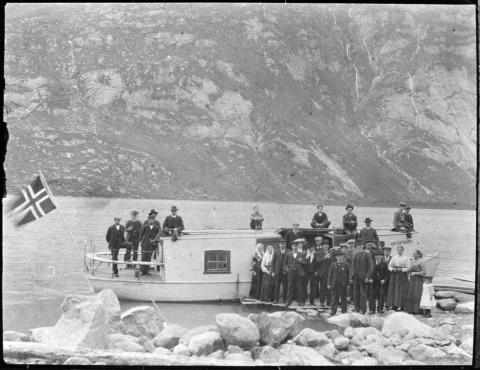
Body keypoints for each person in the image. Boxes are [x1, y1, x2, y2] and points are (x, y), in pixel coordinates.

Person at [386, 245, 410, 311]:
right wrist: (392, 269)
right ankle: (393, 305)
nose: (399, 251)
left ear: (403, 250)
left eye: (400, 249)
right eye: (398, 249)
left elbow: (408, 268)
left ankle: (400, 305)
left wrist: (401, 270)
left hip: (402, 275)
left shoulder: (406, 258)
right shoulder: (394, 258)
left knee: (400, 290)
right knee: (394, 289)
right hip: (394, 275)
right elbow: (389, 266)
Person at [351, 242, 373, 314]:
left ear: (362, 246)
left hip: (363, 277)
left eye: (360, 246)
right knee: (355, 293)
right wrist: (351, 276)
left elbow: (370, 267)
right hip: (355, 276)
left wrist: (368, 277)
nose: (358, 247)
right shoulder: (355, 254)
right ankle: (357, 308)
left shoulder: (367, 254)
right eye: (357, 246)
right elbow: (352, 266)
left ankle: (363, 310)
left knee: (363, 293)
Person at [327, 250, 350, 315]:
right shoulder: (333, 265)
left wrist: (348, 284)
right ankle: (333, 310)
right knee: (335, 297)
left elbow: (348, 275)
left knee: (343, 298)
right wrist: (328, 283)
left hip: (343, 284)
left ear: (343, 257)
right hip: (335, 284)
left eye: (340, 256)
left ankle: (344, 311)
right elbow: (330, 275)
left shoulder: (346, 264)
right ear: (336, 257)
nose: (339, 258)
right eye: (338, 256)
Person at [285, 239, 307, 306]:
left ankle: (300, 301)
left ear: (297, 247)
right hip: (291, 272)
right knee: (290, 287)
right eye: (293, 246)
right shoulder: (288, 254)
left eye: (296, 246)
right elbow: (285, 264)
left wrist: (301, 261)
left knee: (299, 287)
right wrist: (287, 269)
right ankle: (289, 301)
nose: (295, 247)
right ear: (291, 247)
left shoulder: (301, 254)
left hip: (298, 272)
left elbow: (305, 263)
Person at [405, 250, 425, 314]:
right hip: (412, 280)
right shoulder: (413, 261)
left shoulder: (421, 261)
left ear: (418, 255)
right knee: (411, 294)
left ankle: (417, 310)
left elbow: (424, 272)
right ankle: (411, 310)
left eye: (414, 253)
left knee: (417, 295)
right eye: (413, 253)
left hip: (418, 281)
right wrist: (407, 274)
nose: (413, 255)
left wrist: (415, 273)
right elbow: (409, 270)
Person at [315, 241, 334, 306]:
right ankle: (322, 302)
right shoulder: (318, 253)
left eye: (326, 245)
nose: (325, 246)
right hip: (322, 273)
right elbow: (317, 261)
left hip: (330, 272)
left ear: (328, 246)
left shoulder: (331, 253)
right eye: (324, 245)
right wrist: (324, 257)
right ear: (322, 246)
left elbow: (333, 261)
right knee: (322, 288)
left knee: (329, 287)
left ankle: (329, 302)